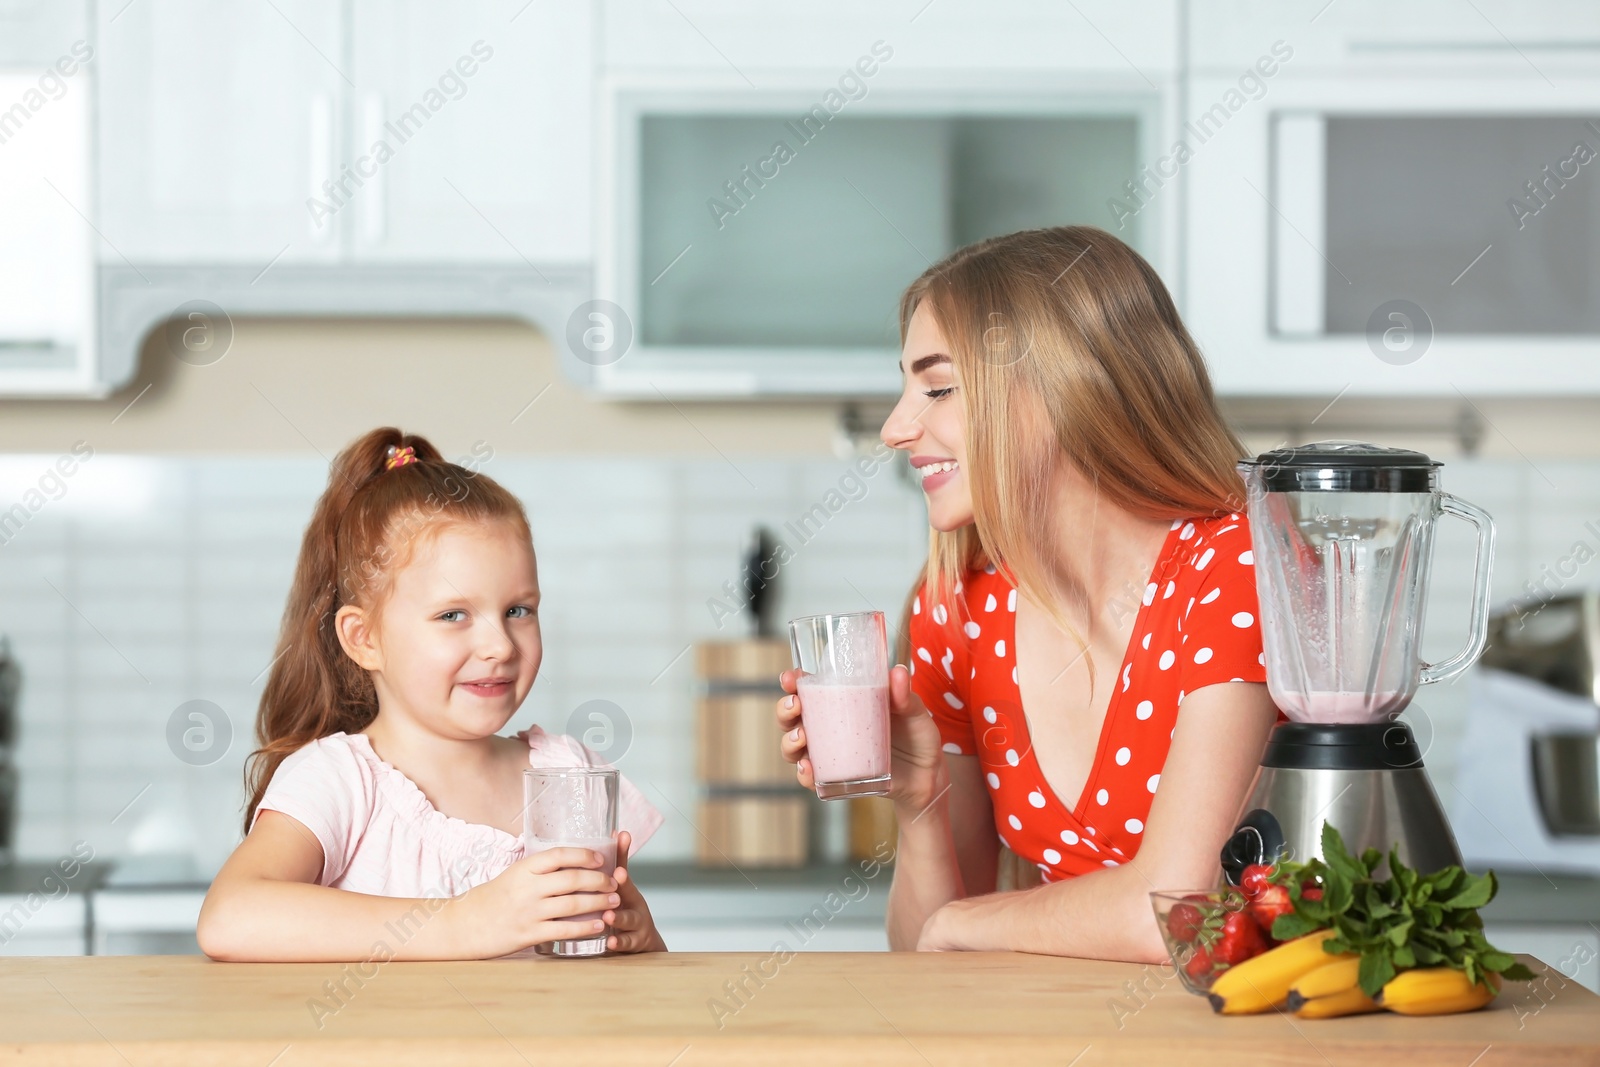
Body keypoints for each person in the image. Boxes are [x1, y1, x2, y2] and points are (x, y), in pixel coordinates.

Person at [778, 227, 1282, 962]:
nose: (895, 427)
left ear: (1061, 386)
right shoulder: (956, 604)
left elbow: (1179, 914)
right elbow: (922, 948)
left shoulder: (1236, 564)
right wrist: (921, 805)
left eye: (939, 387)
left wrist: (962, 924)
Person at [198, 428, 665, 961]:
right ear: (364, 638)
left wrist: (643, 941)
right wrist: (465, 923)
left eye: (519, 610)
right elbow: (230, 917)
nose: (498, 645)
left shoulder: (569, 774)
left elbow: (624, 988)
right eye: (453, 615)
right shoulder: (341, 782)